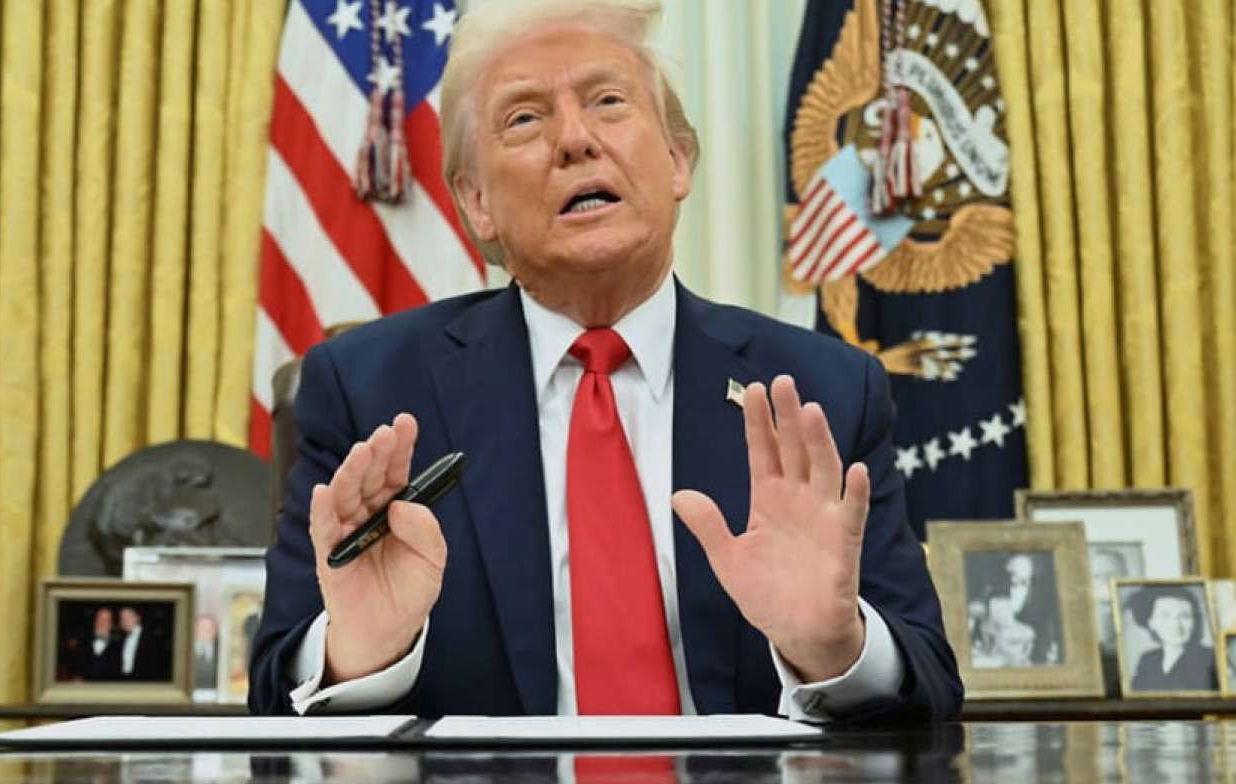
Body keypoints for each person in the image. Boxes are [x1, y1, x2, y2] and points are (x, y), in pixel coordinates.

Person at [248, 0, 961, 723]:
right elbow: (275, 695)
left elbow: (930, 689)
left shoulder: (821, 392)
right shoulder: (367, 390)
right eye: (524, 118)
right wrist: (361, 654)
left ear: (678, 159)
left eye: (608, 102)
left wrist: (834, 648)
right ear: (476, 201)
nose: (575, 140)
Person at [1128, 586, 1218, 691]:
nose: (1175, 625)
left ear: (1195, 622)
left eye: (1185, 616)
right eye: (1165, 616)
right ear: (1151, 622)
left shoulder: (1210, 658)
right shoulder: (1148, 660)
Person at [118, 606, 172, 682]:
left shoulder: (152, 639)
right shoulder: (119, 640)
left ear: (138, 618)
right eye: (122, 618)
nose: (124, 621)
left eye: (128, 617)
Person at [86, 606, 122, 681]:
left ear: (111, 625)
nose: (101, 623)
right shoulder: (83, 643)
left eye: (106, 620)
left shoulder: (120, 648)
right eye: (99, 619)